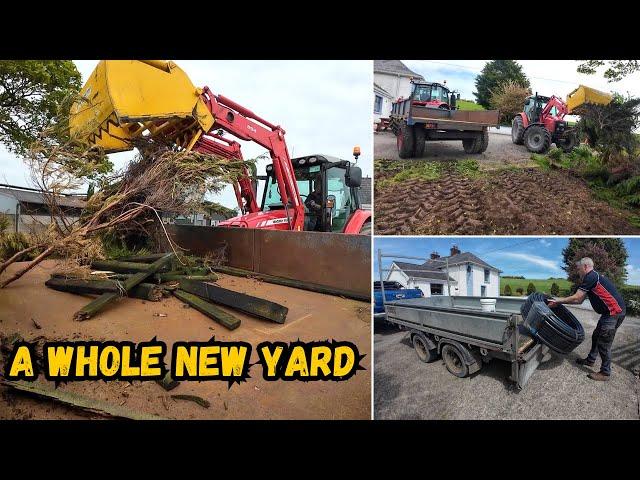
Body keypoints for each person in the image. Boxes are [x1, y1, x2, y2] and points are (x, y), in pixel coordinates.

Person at [548, 257, 626, 381]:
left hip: (613, 313)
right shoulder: (592, 278)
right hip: (609, 313)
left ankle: (605, 373)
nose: (578, 272)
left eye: (579, 269)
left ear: (585, 267)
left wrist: (558, 301)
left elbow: (577, 296)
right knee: (596, 336)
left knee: (604, 342)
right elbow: (579, 300)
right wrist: (561, 303)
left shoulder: (591, 276)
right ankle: (590, 360)